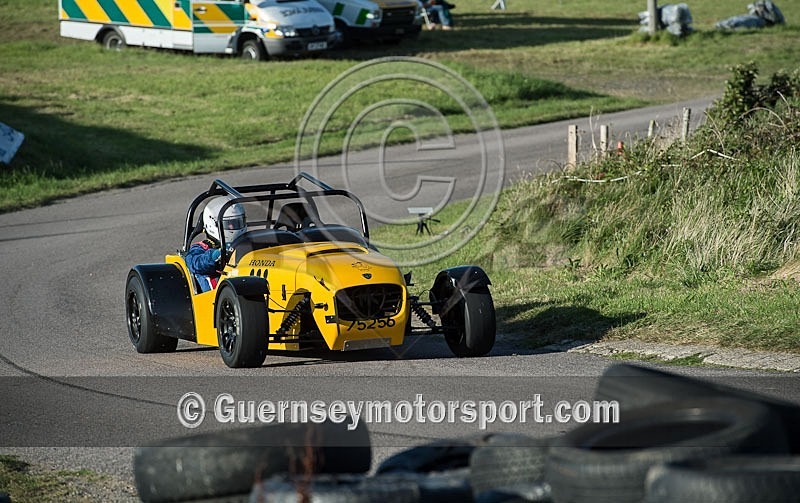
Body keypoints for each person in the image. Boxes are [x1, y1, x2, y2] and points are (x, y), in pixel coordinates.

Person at [185, 196, 247, 292]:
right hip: (214, 296)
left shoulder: (244, 243)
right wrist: (214, 255)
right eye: (229, 223)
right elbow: (194, 263)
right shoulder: (201, 248)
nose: (233, 227)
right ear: (213, 224)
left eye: (237, 222)